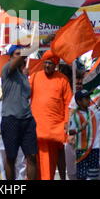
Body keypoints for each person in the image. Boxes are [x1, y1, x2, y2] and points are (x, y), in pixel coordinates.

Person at [30, 51, 72, 180]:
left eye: (50, 63)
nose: (47, 65)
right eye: (46, 62)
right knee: (33, 163)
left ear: (56, 65)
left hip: (54, 129)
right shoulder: (35, 76)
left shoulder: (63, 79)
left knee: (50, 163)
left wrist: (66, 122)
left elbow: (68, 104)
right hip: (35, 127)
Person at [0, 45, 38, 180]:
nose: (21, 56)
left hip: (27, 119)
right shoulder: (7, 70)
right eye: (17, 54)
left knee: (32, 156)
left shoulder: (24, 75)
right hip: (11, 118)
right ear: (10, 57)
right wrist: (39, 42)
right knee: (11, 157)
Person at [68, 89, 100, 180]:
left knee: (93, 174)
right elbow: (70, 131)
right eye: (86, 98)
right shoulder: (75, 115)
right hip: (82, 149)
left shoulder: (93, 112)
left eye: (89, 97)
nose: (89, 99)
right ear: (79, 101)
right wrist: (80, 128)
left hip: (94, 148)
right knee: (82, 175)